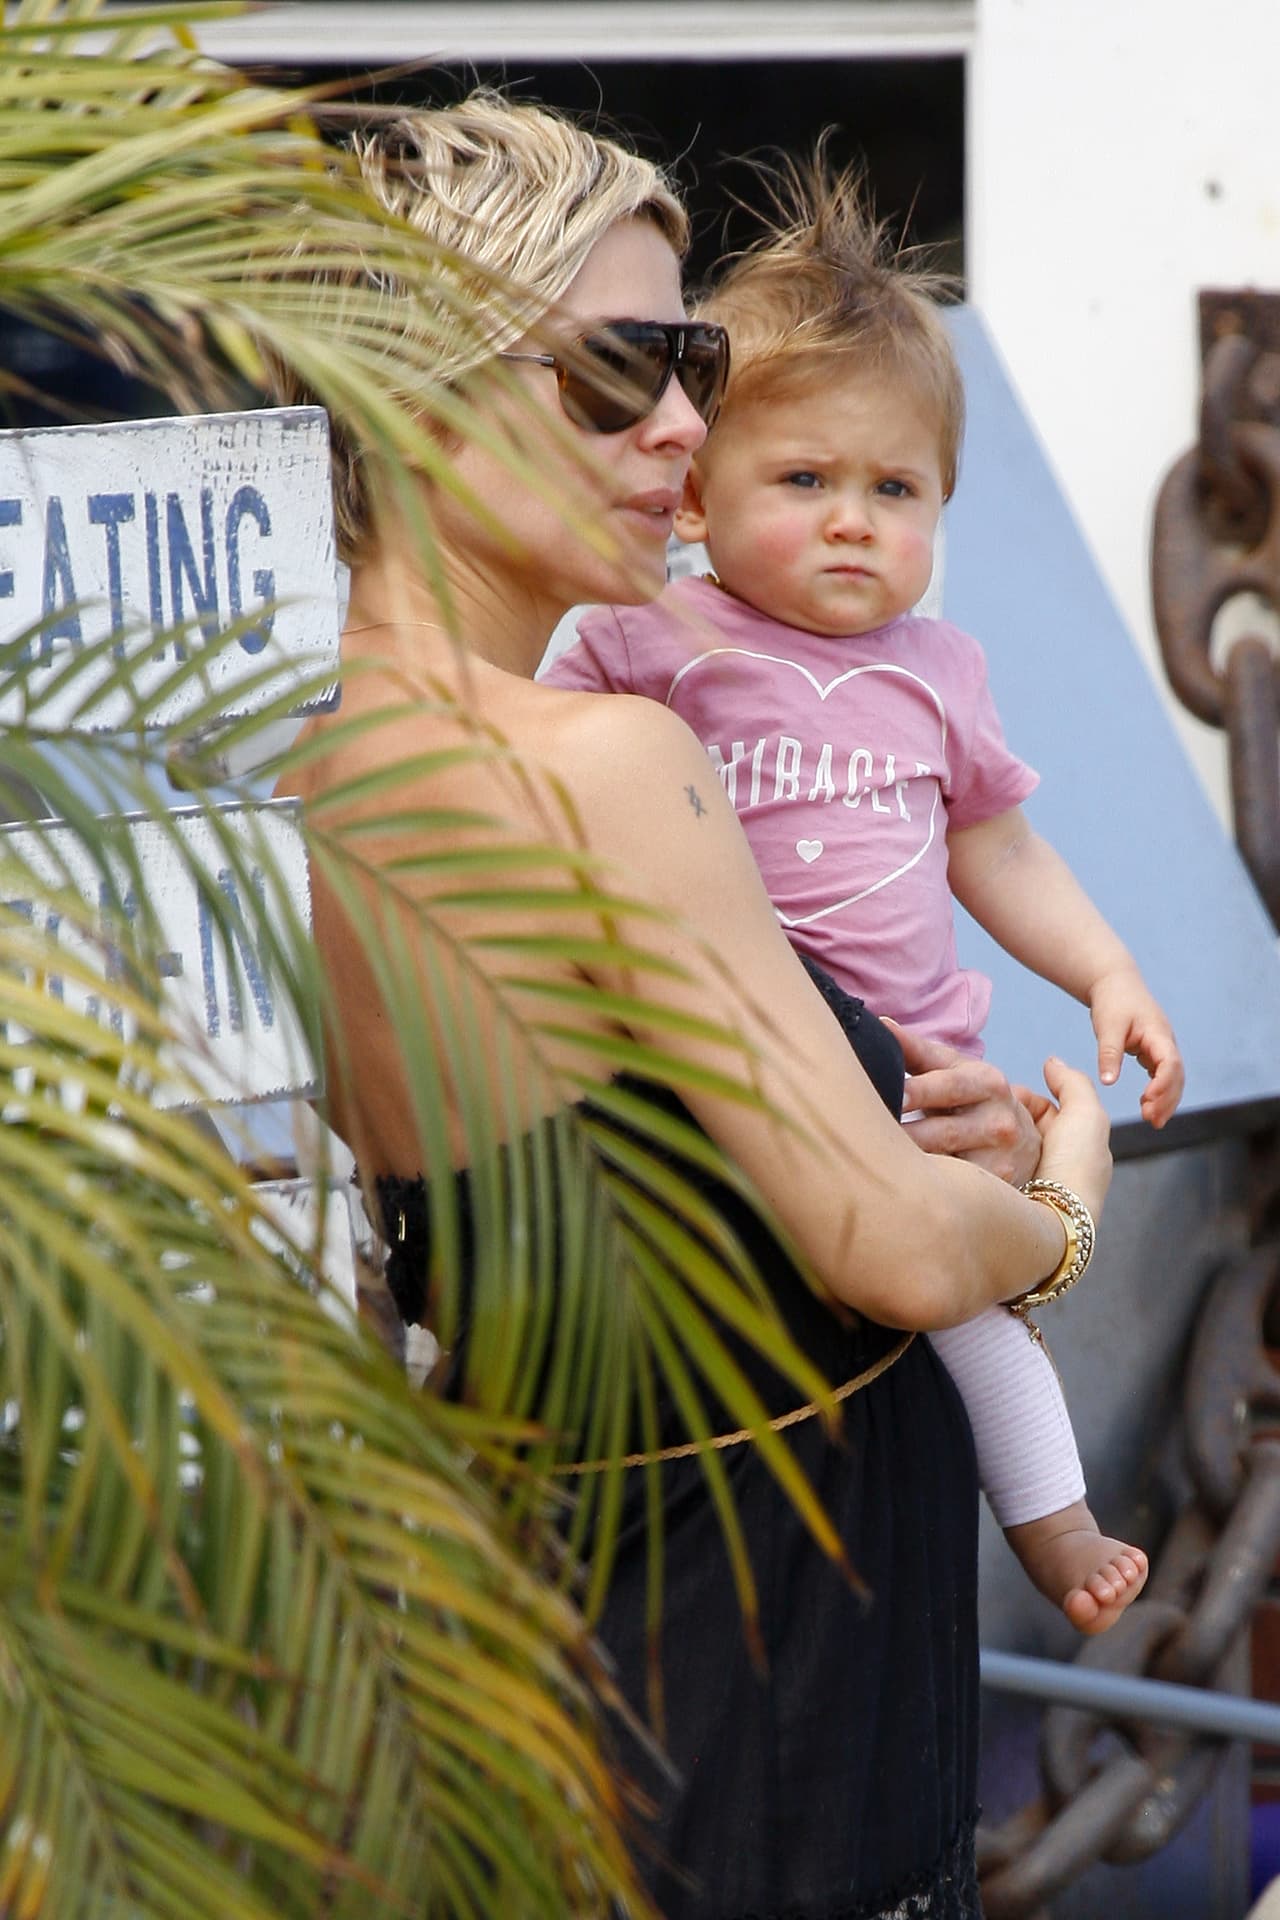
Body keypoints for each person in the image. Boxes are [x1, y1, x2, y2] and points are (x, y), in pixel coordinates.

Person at [275, 96, 1113, 1920]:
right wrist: (1053, 1206)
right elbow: (887, 1247)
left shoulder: (306, 751)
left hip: (564, 1656)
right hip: (770, 1692)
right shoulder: (607, 759)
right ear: (416, 384)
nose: (683, 424)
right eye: (621, 370)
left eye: (696, 363)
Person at [544, 160, 1177, 1636]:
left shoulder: (938, 672)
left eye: (895, 491)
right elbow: (538, 761)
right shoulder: (651, 634)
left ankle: (1059, 1533)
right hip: (733, 1063)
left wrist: (1109, 974)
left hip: (912, 1075)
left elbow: (998, 846)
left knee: (971, 1324)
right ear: (697, 492)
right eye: (806, 481)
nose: (852, 523)